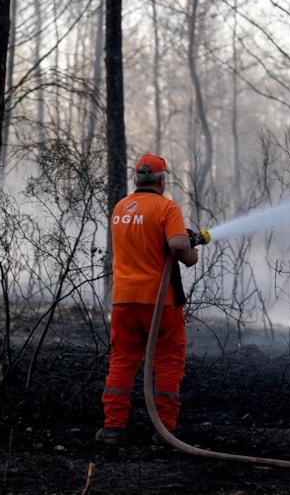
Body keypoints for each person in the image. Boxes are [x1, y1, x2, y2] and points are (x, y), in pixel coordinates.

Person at [96, 153, 199, 445]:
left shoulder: (120, 208)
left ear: (137, 179)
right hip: (160, 302)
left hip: (124, 299)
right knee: (167, 361)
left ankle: (113, 428)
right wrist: (191, 251)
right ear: (162, 180)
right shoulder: (166, 207)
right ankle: (164, 429)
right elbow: (178, 246)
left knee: (122, 360)